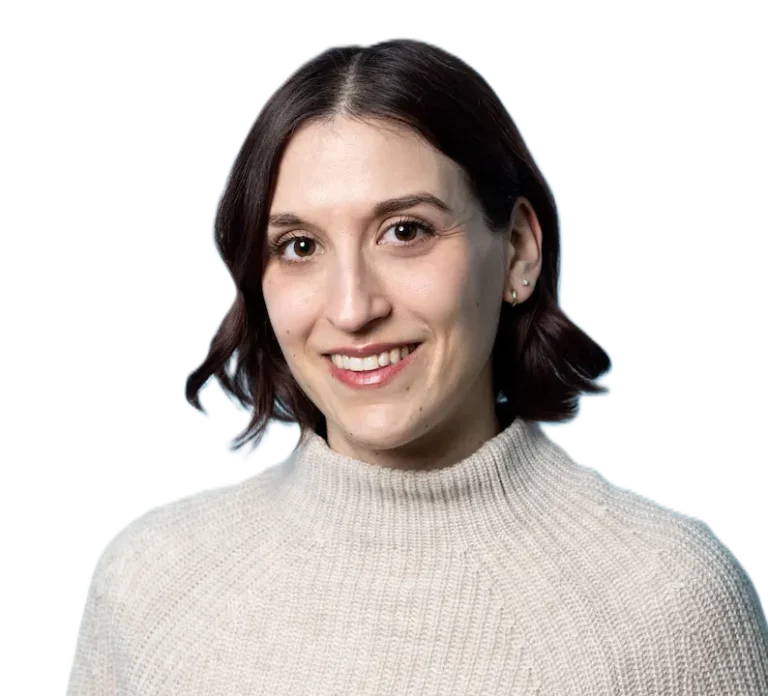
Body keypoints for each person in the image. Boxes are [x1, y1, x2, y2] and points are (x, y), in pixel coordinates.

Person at [66, 37, 767, 694]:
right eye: (300, 246)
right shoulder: (148, 583)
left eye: (406, 232)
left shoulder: (667, 604)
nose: (352, 308)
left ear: (519, 251)